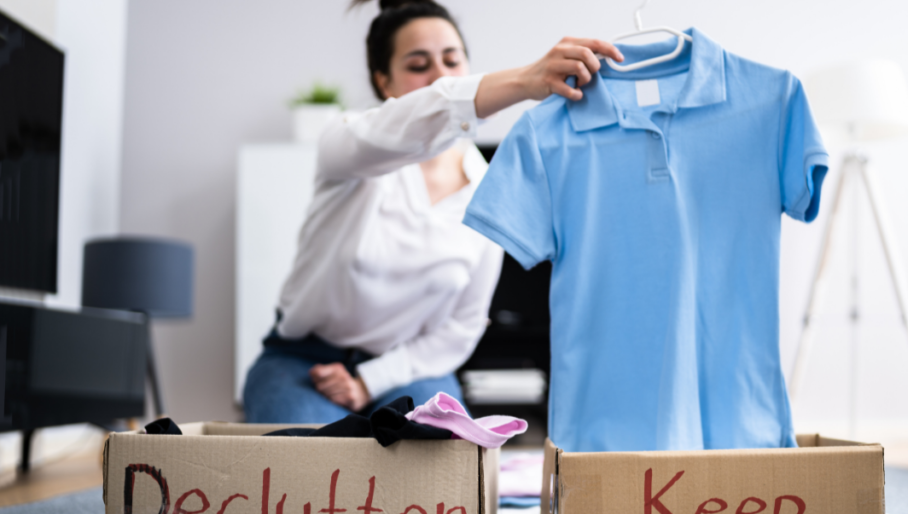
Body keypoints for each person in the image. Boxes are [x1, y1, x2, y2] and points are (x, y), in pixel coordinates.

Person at [243, 0, 624, 423]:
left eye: (451, 59)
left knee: (441, 454)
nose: (441, 76)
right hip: (302, 362)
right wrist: (524, 80)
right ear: (383, 81)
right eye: (418, 64)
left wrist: (369, 381)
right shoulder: (348, 145)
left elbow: (461, 327)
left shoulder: (489, 188)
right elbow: (423, 114)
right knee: (309, 464)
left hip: (406, 369)